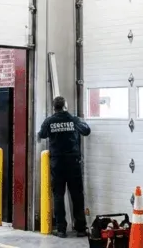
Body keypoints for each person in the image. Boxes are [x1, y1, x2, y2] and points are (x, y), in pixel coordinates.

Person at [38, 96, 91, 238]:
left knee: (58, 195)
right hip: (73, 162)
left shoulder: (49, 121)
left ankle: (61, 229)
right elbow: (86, 131)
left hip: (57, 163)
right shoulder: (73, 119)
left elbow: (42, 134)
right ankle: (80, 228)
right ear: (65, 106)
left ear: (54, 107)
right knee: (77, 195)